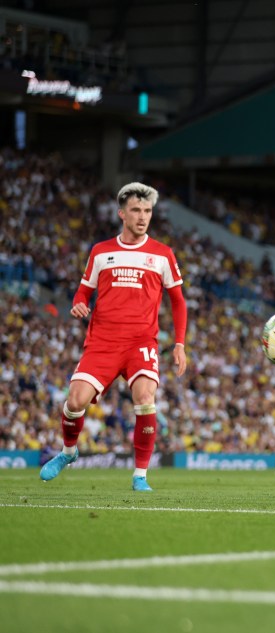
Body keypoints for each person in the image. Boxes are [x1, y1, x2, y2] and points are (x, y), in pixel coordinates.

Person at [39, 182, 188, 491]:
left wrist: (180, 344)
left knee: (145, 399)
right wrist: (79, 302)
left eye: (147, 211)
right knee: (75, 400)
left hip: (141, 343)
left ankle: (140, 476)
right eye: (136, 210)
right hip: (103, 342)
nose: (143, 217)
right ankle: (68, 453)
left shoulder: (162, 254)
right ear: (122, 213)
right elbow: (83, 290)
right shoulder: (101, 251)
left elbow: (178, 301)